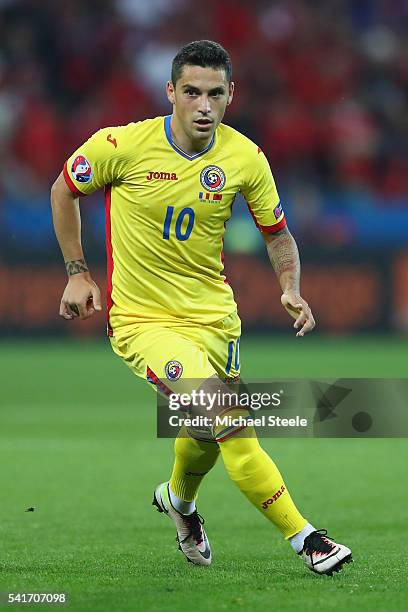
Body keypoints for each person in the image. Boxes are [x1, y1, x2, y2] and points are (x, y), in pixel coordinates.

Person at [51, 40, 352, 575]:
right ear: (171, 92)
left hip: (215, 320)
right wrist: (78, 273)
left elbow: (278, 234)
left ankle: (179, 503)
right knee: (229, 420)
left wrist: (291, 285)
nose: (204, 106)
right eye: (191, 92)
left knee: (205, 434)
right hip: (145, 322)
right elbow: (63, 189)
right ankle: (307, 539)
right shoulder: (121, 145)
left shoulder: (245, 157)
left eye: (215, 93)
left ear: (231, 95)